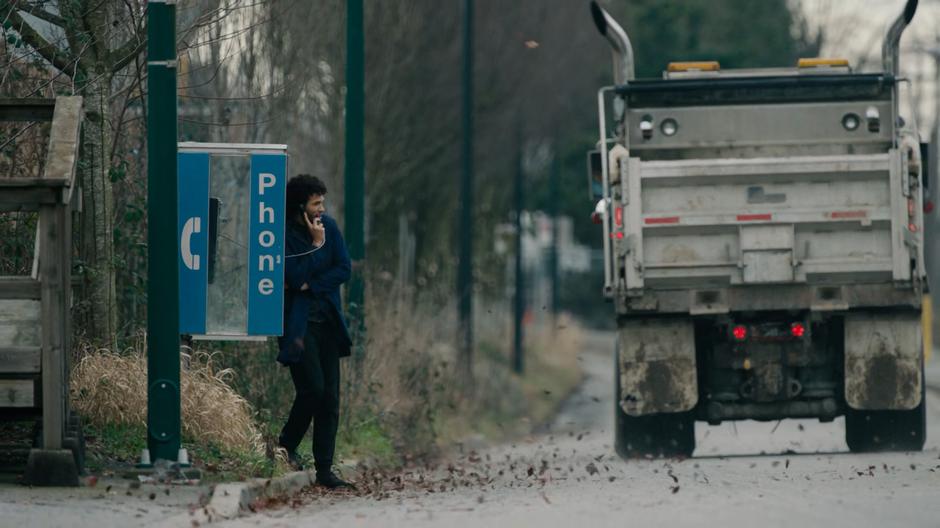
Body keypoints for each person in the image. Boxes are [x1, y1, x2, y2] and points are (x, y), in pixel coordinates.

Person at [277, 174, 355, 489]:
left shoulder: (331, 227)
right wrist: (315, 246)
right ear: (300, 205)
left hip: (328, 323)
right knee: (313, 389)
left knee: (330, 399)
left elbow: (343, 268)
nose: (321, 209)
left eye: (322, 202)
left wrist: (311, 284)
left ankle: (324, 469)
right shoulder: (283, 234)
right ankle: (285, 444)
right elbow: (292, 274)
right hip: (297, 325)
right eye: (315, 203)